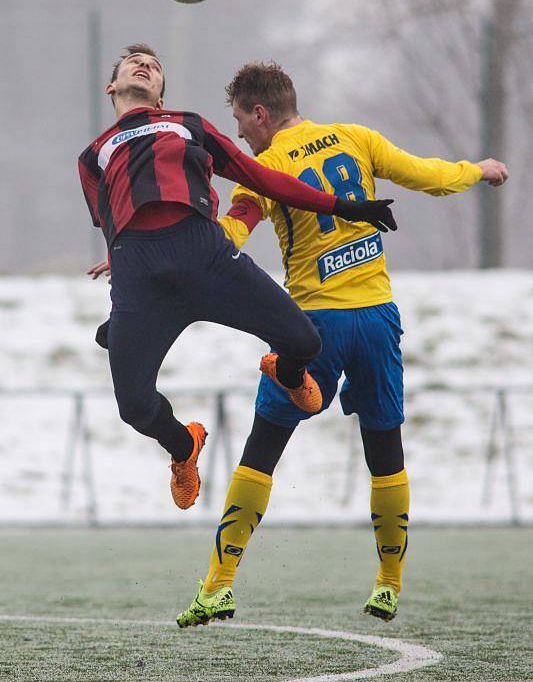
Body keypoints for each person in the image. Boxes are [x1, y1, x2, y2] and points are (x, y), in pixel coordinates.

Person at [176, 61, 509, 627]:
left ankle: (218, 586)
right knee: (385, 452)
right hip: (377, 320)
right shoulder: (357, 139)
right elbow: (425, 175)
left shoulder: (266, 166)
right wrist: (476, 170)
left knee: (262, 450)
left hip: (311, 328)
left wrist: (179, 254)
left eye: (239, 121)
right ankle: (388, 584)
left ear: (261, 113)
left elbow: (235, 227)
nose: (237, 135)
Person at [80, 44, 397, 514]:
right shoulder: (94, 155)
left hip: (205, 254)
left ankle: (286, 374)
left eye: (155, 65)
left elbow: (260, 176)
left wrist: (343, 205)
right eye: (133, 63)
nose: (145, 65)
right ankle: (183, 447)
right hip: (141, 274)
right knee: (133, 406)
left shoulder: (189, 125)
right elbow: (110, 219)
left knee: (305, 342)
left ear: (161, 95)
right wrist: (119, 282)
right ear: (112, 86)